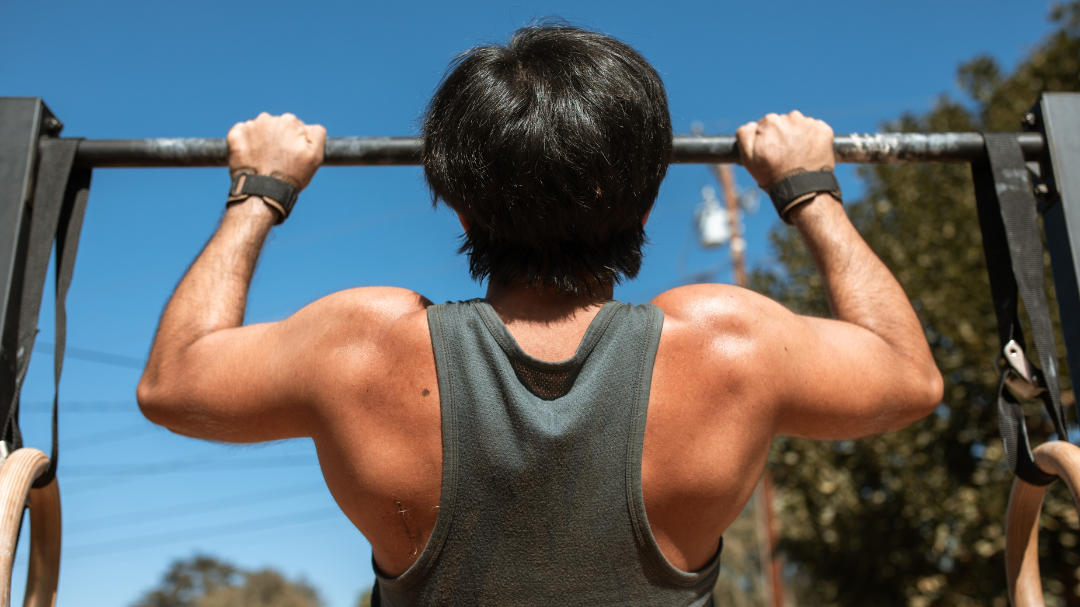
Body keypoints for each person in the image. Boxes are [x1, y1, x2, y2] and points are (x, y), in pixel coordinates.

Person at [137, 24, 943, 607]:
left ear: (456, 207)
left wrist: (260, 190)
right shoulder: (730, 342)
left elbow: (173, 383)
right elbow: (909, 376)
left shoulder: (361, 345)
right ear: (649, 195)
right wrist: (809, 189)